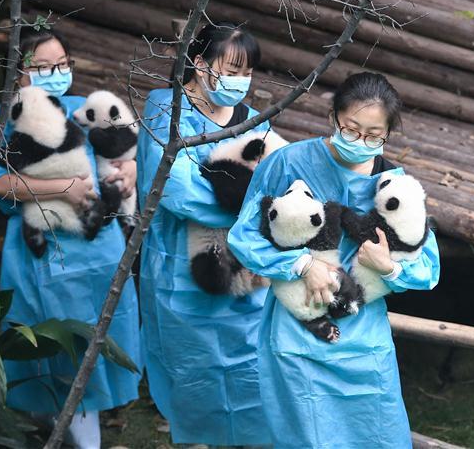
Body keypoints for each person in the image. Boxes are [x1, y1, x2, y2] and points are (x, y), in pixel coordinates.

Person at [228, 72, 441, 449]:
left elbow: (428, 268)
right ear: (333, 118)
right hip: (299, 332)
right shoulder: (288, 163)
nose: (361, 142)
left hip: (365, 340)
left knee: (380, 437)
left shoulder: (393, 183)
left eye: (374, 135)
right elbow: (244, 237)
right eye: (351, 128)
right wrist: (302, 266)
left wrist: (388, 267)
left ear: (388, 134)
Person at [0, 29, 141, 449]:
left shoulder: (87, 109)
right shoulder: (3, 120)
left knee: (94, 347)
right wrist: (62, 187)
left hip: (99, 249)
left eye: (62, 64)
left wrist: (130, 171)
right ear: (20, 70)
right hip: (41, 250)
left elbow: (133, 154)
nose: (56, 73)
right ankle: (52, 432)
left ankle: (82, 437)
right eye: (43, 66)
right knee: (48, 347)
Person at [136, 23, 272, 445]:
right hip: (182, 272)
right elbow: (176, 191)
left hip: (245, 271)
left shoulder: (253, 121)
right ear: (199, 63)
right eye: (231, 70)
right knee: (193, 377)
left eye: (246, 73)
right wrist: (247, 209)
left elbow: (274, 186)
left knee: (251, 370)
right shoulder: (166, 109)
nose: (239, 82)